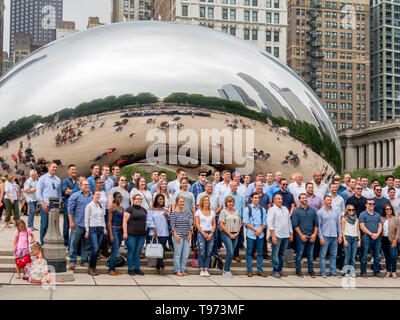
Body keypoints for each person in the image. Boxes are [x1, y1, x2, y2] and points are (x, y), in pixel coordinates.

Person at [292, 193, 319, 278]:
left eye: (305, 198)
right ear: (299, 200)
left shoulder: (312, 211)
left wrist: (314, 235)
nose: (304, 199)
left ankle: (311, 271)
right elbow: (295, 225)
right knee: (299, 254)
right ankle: (298, 270)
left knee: (310, 255)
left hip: (311, 236)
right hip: (301, 237)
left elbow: (316, 224)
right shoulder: (296, 211)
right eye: (303, 198)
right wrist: (301, 235)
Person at [68, 180, 92, 270]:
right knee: (74, 243)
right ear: (80, 186)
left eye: (88, 184)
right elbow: (70, 209)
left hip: (88, 225)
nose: (87, 186)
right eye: (85, 185)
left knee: (86, 244)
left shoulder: (92, 196)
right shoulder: (75, 195)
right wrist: (71, 222)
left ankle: (84, 261)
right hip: (77, 224)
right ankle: (72, 261)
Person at [36, 161, 62, 245]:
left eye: (56, 167)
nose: (54, 169)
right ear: (49, 167)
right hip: (45, 204)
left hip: (54, 205)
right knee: (44, 225)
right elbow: (38, 192)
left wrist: (59, 204)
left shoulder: (58, 179)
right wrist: (43, 204)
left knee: (53, 225)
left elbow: (59, 193)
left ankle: (51, 241)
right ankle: (43, 243)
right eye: (53, 167)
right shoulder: (43, 178)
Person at [267, 194, 293, 278]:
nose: (280, 200)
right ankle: (275, 270)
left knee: (282, 254)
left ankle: (280, 269)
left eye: (281, 199)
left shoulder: (285, 209)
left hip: (285, 235)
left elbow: (289, 222)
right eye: (278, 199)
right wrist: (273, 236)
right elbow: (270, 223)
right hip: (277, 235)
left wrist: (291, 233)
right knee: (275, 253)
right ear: (274, 200)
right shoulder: (272, 210)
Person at [317, 195, 342, 278]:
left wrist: (340, 235)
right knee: (323, 255)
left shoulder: (335, 212)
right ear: (324, 201)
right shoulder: (320, 212)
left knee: (333, 255)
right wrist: (320, 237)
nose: (329, 202)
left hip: (334, 236)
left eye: (330, 200)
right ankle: (323, 272)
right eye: (327, 200)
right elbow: (319, 226)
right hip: (325, 236)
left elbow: (338, 224)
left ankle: (333, 272)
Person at [243, 192, 267, 277]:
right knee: (249, 252)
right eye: (255, 198)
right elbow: (246, 222)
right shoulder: (247, 209)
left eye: (258, 198)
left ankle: (259, 270)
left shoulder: (262, 209)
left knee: (260, 253)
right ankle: (249, 269)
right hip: (251, 234)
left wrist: (260, 230)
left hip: (260, 234)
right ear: (251, 199)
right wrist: (255, 229)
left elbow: (264, 222)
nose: (257, 199)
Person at [85, 190, 108, 276]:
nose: (98, 196)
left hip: (101, 229)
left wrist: (104, 228)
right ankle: (91, 267)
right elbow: (86, 219)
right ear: (93, 195)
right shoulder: (89, 206)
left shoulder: (100, 205)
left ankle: (94, 267)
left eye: (99, 194)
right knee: (95, 248)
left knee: (97, 249)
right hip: (93, 229)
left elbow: (102, 218)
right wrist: (87, 230)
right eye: (97, 194)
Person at [123, 194, 147, 275]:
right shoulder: (129, 209)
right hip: (131, 235)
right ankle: (130, 269)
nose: (139, 200)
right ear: (133, 200)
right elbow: (125, 221)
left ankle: (137, 268)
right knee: (131, 251)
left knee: (138, 252)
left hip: (141, 235)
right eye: (137, 199)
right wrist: (125, 232)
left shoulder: (143, 210)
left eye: (141, 199)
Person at [359, 199, 384, 278]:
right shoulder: (362, 214)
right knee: (364, 255)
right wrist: (370, 234)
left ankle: (377, 271)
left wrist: (377, 234)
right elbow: (362, 226)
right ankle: (363, 272)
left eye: (373, 204)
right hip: (366, 237)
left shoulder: (377, 214)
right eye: (370, 204)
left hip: (376, 237)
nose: (372, 205)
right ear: (366, 205)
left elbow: (380, 225)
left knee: (376, 256)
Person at [146, 194, 170, 276]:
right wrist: (154, 230)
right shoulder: (151, 209)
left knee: (161, 251)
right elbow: (149, 221)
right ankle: (163, 268)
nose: (161, 201)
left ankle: (157, 268)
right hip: (154, 233)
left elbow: (169, 222)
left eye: (162, 199)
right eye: (160, 199)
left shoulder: (166, 210)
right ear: (156, 200)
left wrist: (167, 217)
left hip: (164, 233)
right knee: (158, 252)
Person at [219, 196, 241, 277]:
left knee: (230, 253)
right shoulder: (223, 211)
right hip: (226, 233)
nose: (231, 203)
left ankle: (227, 268)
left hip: (235, 234)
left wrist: (237, 233)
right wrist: (229, 234)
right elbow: (221, 224)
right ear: (226, 203)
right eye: (229, 202)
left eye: (232, 202)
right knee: (230, 251)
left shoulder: (237, 211)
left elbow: (240, 223)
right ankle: (226, 270)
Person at [170, 196, 192, 276]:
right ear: (177, 203)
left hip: (186, 236)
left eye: (183, 201)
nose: (182, 203)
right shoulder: (173, 213)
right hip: (178, 236)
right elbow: (172, 226)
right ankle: (177, 270)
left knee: (185, 254)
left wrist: (190, 233)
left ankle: (183, 270)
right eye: (180, 201)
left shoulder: (186, 213)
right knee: (178, 254)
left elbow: (188, 224)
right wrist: (175, 235)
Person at [195, 195, 216, 277]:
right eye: (205, 200)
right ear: (202, 202)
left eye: (208, 200)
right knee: (201, 251)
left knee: (208, 252)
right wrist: (203, 233)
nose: (207, 202)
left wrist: (211, 233)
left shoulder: (212, 212)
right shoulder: (198, 212)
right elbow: (197, 223)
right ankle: (201, 269)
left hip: (210, 233)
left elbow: (214, 224)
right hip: (201, 233)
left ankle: (206, 269)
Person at [225, 181, 245, 262]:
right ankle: (230, 253)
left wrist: (243, 219)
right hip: (229, 219)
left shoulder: (241, 197)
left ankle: (236, 255)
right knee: (229, 238)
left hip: (238, 220)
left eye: (236, 186)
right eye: (233, 186)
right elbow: (224, 208)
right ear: (230, 186)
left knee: (237, 237)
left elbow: (242, 208)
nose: (235, 187)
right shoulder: (227, 196)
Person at [381, 204, 400, 278]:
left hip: (392, 240)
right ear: (384, 210)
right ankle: (388, 271)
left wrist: (396, 239)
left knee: (393, 256)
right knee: (387, 256)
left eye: (390, 209)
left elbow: (398, 230)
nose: (389, 210)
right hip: (383, 239)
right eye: (387, 209)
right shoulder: (382, 218)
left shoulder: (396, 219)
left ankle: (394, 271)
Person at [107, 192, 124, 276]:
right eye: (118, 197)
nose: (119, 198)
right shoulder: (112, 208)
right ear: (114, 198)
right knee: (115, 250)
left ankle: (113, 268)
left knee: (116, 249)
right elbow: (109, 221)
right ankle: (111, 269)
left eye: (121, 197)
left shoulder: (122, 208)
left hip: (120, 231)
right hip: (114, 229)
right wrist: (111, 234)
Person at [341, 205, 360, 277]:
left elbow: (358, 230)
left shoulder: (357, 219)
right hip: (347, 238)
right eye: (349, 210)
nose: (351, 211)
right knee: (347, 256)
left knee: (353, 256)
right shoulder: (344, 219)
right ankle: (345, 271)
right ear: (347, 210)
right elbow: (342, 230)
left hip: (355, 238)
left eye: (353, 209)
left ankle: (352, 271)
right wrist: (344, 240)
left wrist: (359, 240)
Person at [61, 164, 78, 246]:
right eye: (72, 170)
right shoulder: (65, 181)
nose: (74, 171)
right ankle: (66, 243)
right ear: (68, 171)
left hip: (77, 206)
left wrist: (71, 191)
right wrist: (76, 191)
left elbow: (81, 190)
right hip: (67, 205)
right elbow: (65, 191)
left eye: (75, 169)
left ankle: (73, 242)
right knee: (66, 225)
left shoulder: (78, 181)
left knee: (76, 225)